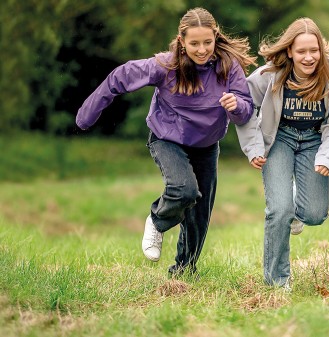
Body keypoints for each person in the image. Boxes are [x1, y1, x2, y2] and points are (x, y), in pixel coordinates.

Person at [76, 7, 256, 277]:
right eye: (194, 43)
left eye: (207, 42)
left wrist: (236, 104)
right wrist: (86, 116)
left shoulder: (228, 67)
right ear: (182, 41)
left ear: (215, 37)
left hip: (206, 145)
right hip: (167, 138)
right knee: (184, 190)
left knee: (200, 211)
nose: (202, 49)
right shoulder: (166, 65)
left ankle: (184, 271)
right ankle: (157, 221)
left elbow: (246, 109)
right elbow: (121, 76)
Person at [236, 18, 329, 290]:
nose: (309, 57)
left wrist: (326, 156)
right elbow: (244, 106)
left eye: (314, 50)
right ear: (290, 51)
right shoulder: (269, 75)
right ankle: (277, 281)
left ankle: (296, 211)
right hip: (279, 139)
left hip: (315, 140)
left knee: (314, 214)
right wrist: (253, 147)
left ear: (322, 50)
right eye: (301, 51)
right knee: (279, 210)